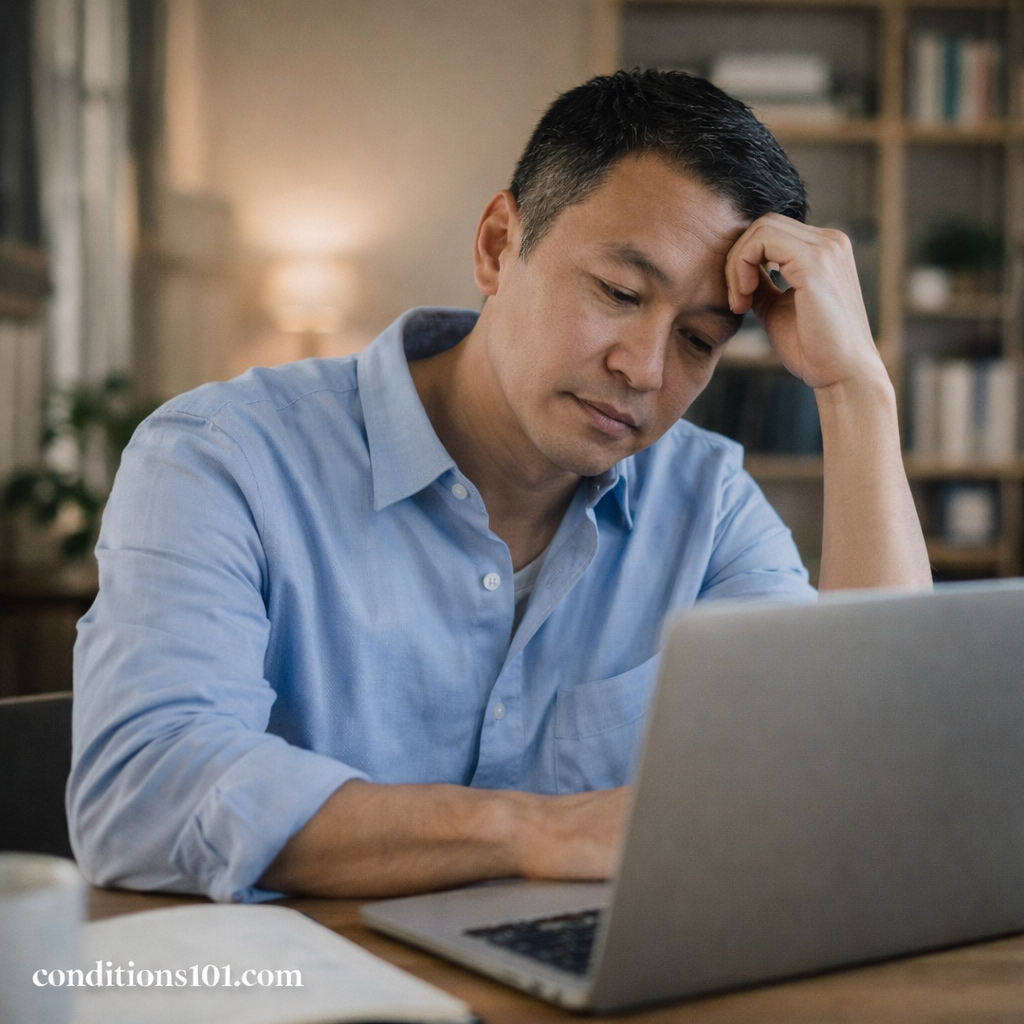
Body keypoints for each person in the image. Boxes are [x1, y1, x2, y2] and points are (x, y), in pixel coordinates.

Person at [68, 69, 931, 903]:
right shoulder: (221, 459)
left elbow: (872, 781)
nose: (643, 368)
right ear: (495, 246)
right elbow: (141, 793)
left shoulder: (707, 504)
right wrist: (538, 833)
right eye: (619, 291)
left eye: (700, 340)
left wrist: (856, 389)